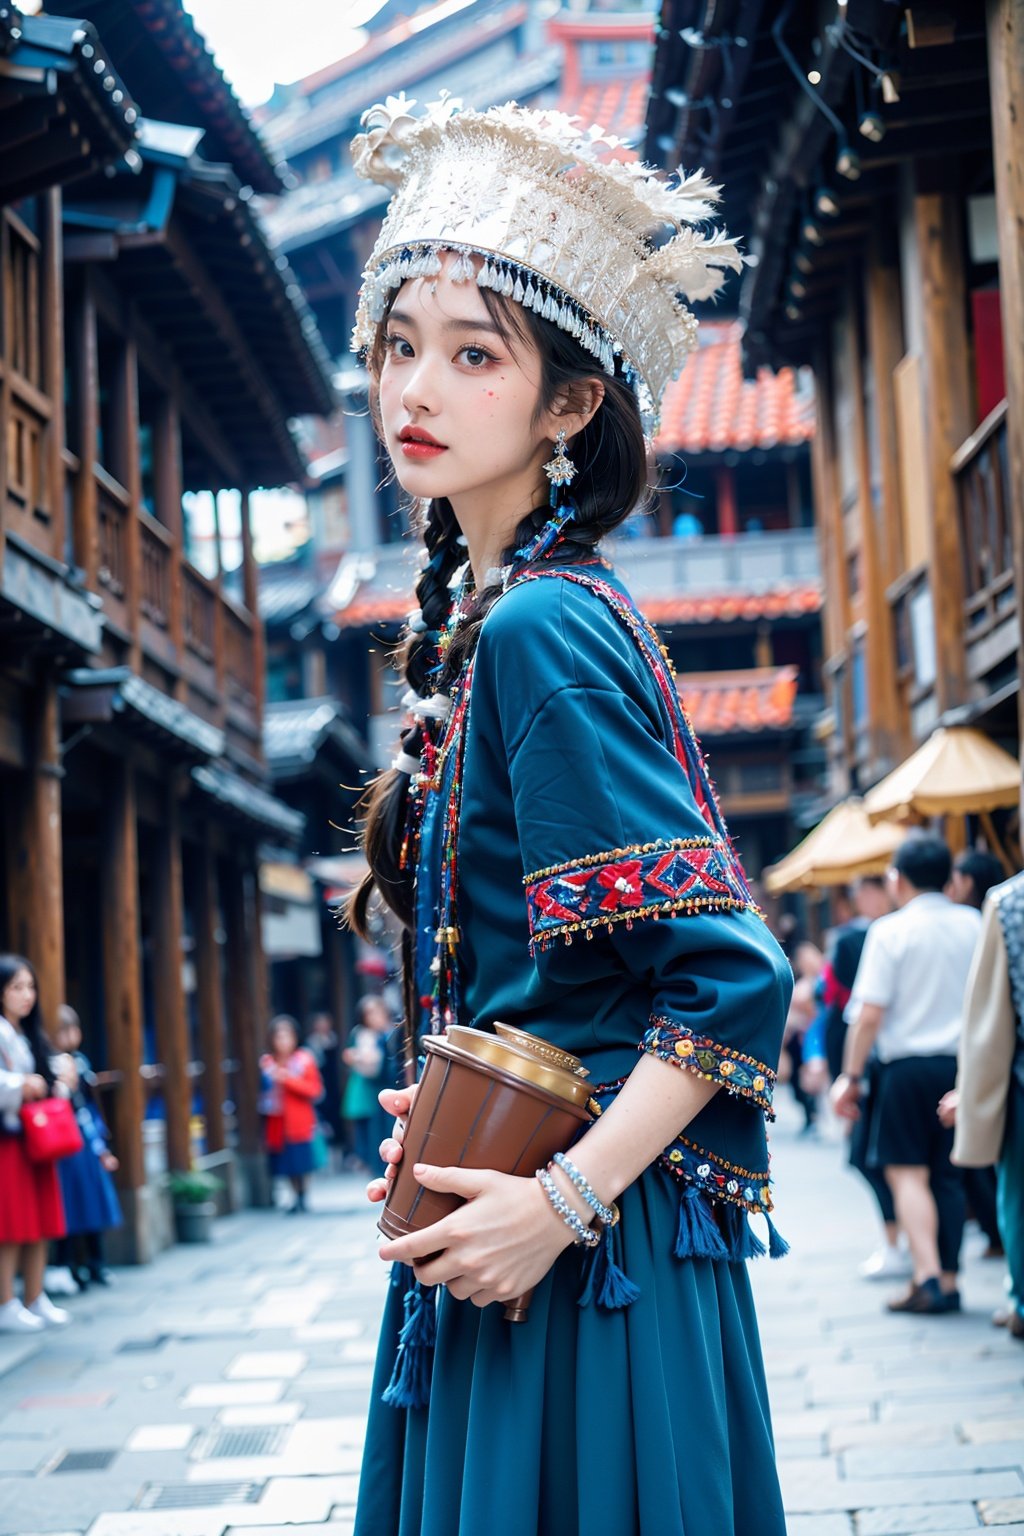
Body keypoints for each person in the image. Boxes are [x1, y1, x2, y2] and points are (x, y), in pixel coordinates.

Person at [344, 97, 792, 1536]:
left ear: (568, 404)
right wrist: (472, 1106)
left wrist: (565, 1202)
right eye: (400, 344)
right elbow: (575, 983)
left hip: (585, 1258)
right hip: (528, 1223)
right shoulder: (519, 620)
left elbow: (729, 977)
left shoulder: (541, 627)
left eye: (476, 354)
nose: (419, 384)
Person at [832, 834, 981, 1314]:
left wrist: (850, 1076)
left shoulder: (890, 931)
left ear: (897, 879)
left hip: (905, 1071)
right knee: (949, 1176)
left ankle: (927, 1276)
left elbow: (869, 1013)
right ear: (951, 878)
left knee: (907, 1175)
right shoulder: (976, 923)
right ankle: (953, 1279)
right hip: (965, 1067)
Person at [800, 876, 908, 1281]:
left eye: (864, 889)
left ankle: (904, 1245)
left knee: (874, 1156)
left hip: (875, 1063)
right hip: (897, 1061)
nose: (858, 897)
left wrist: (850, 1073)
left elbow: (843, 1004)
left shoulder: (857, 940)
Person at [941, 871, 1024, 1339]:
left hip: (1020, 1080)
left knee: (1016, 1197)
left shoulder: (1011, 901)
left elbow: (990, 1025)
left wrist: (973, 1095)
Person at [0, 955, 71, 1332]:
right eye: (16, 987)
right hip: (9, 1138)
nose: (26, 995)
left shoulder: (29, 1033)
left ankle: (34, 1294)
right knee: (12, 1223)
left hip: (35, 1137)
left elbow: (46, 1077)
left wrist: (60, 1080)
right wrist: (18, 1085)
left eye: (30, 987)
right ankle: (6, 1302)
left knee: (39, 1219)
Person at [946, 848, 1007, 1259]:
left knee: (992, 1167)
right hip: (970, 1052)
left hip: (989, 1056)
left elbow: (992, 1016)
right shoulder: (976, 920)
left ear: (967, 881)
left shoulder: (1001, 911)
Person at [48, 1005, 122, 1291]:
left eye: (74, 1029)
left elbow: (89, 1109)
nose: (71, 1036)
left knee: (92, 1204)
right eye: (64, 1030)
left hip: (85, 1143)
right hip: (63, 1144)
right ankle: (66, 1265)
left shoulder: (81, 1062)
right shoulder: (51, 1064)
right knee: (67, 1207)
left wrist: (101, 1147)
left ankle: (96, 1263)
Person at [259, 1015, 324, 1214]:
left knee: (301, 1160)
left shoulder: (304, 1060)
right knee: (286, 1161)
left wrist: (287, 1080)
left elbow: (315, 1090)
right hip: (276, 1120)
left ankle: (303, 1196)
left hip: (299, 1120)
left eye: (287, 1036)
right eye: (279, 1036)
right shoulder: (267, 1063)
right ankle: (294, 1196)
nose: (283, 1041)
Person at [341, 996, 391, 1172]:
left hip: (384, 1087)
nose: (374, 1016)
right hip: (365, 1088)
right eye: (370, 1013)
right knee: (368, 1132)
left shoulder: (389, 1033)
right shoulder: (360, 1034)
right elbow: (351, 1056)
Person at [783, 940, 823, 1133]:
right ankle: (811, 1113)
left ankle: (815, 1113)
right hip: (799, 1038)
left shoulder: (822, 981)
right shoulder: (799, 983)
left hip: (815, 1035)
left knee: (813, 1073)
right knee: (800, 1078)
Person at [305, 1011, 343, 1163]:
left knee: (336, 1118)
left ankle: (338, 1154)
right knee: (323, 1120)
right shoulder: (311, 1044)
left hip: (334, 1084)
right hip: (320, 1084)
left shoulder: (333, 1039)